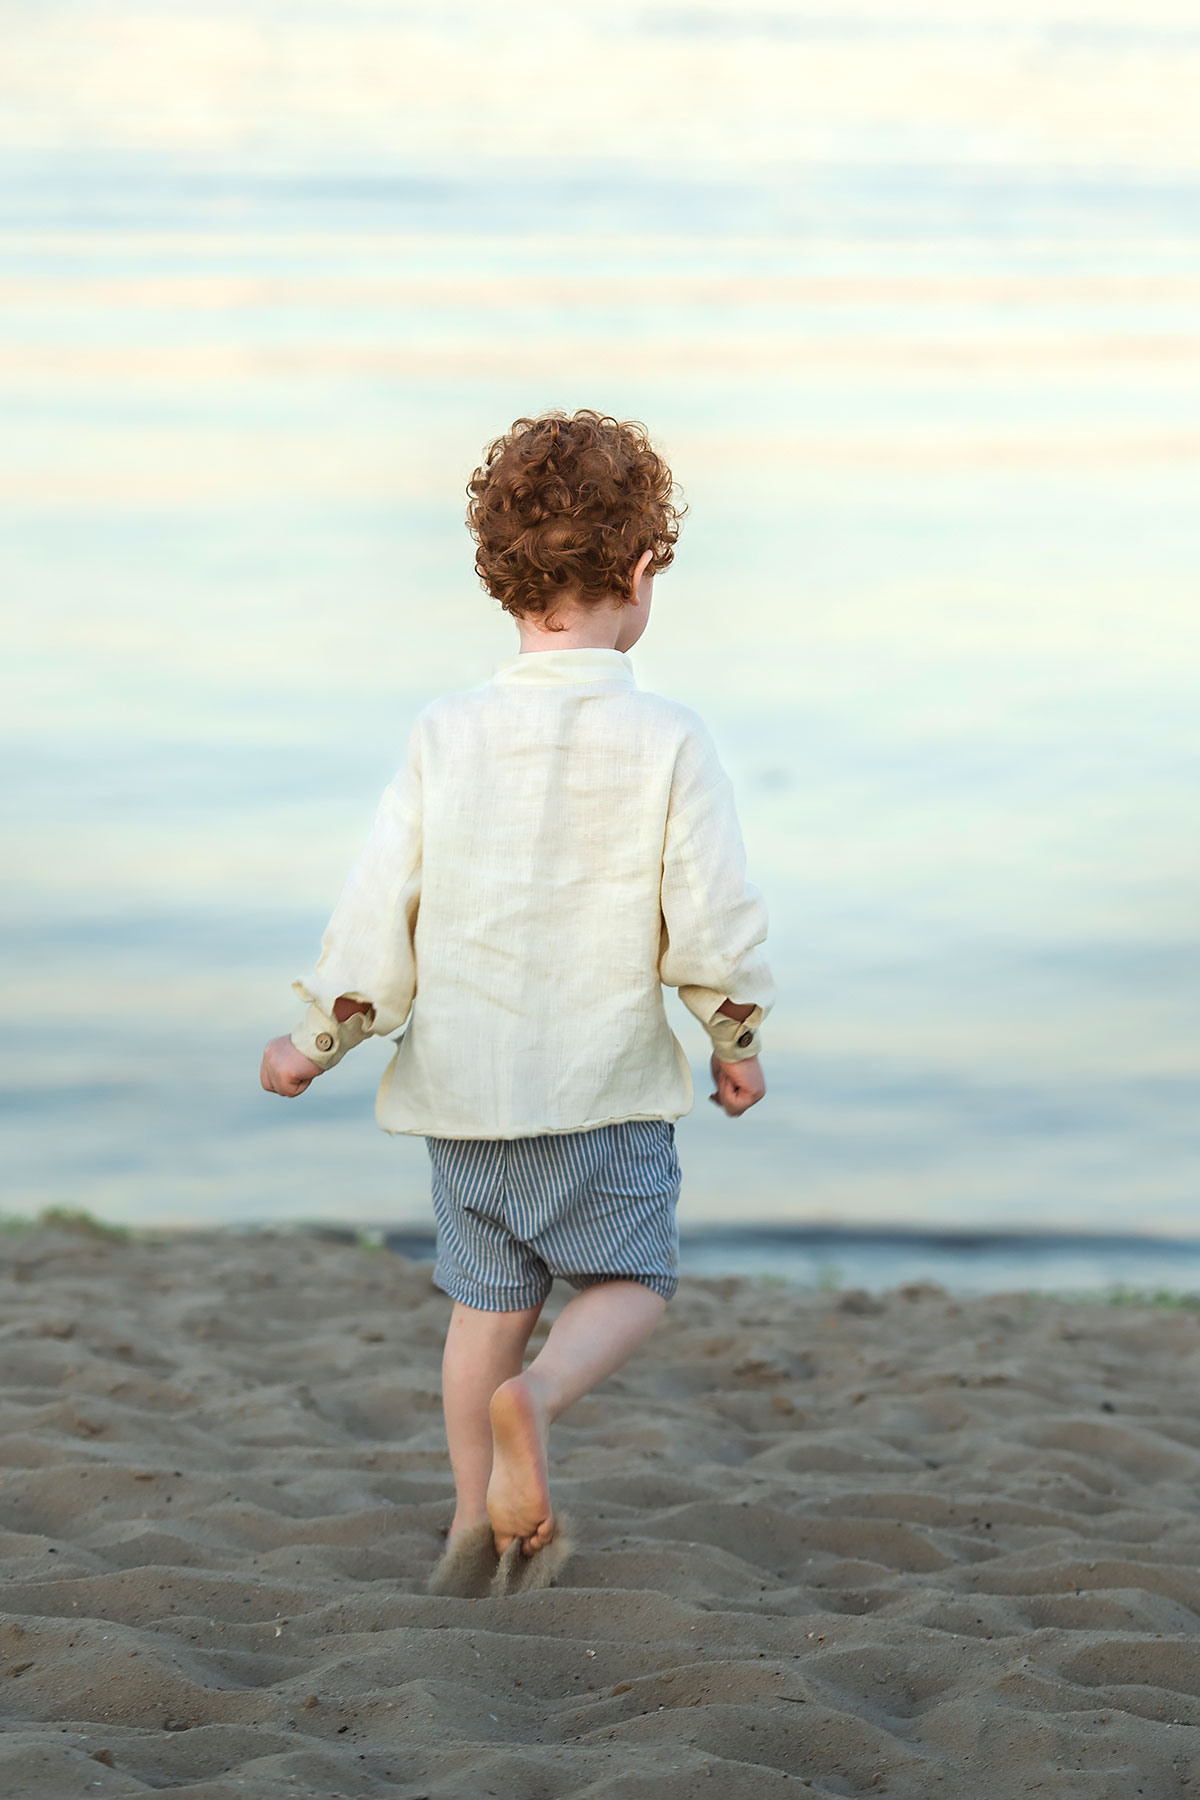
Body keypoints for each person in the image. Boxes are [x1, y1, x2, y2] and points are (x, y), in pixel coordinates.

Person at [260, 409, 774, 1596]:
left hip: (465, 1095)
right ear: (642, 573)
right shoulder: (667, 738)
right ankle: (536, 1401)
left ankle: (467, 1520)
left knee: (483, 1305)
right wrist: (732, 1034)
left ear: (503, 579)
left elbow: (380, 904)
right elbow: (712, 916)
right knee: (632, 1278)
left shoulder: (447, 733)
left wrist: (319, 1038)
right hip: (600, 1091)